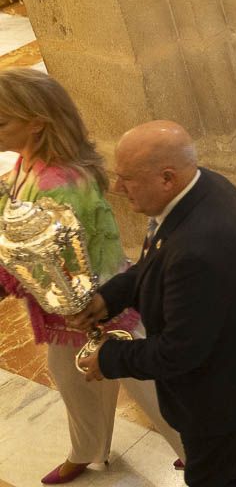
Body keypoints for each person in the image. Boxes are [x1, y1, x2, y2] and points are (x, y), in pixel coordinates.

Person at [70, 121, 236, 486]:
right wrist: (111, 296)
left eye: (127, 178)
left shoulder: (199, 247)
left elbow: (178, 353)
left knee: (213, 479)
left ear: (166, 178)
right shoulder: (205, 187)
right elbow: (158, 264)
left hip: (219, 393)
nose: (117, 188)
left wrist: (109, 358)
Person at [0, 70, 185, 485]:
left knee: (151, 388)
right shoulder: (36, 162)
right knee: (75, 380)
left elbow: (46, 256)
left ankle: (199, 454)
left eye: (1, 123)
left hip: (96, 305)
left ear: (36, 122)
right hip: (73, 308)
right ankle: (87, 450)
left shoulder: (59, 184)